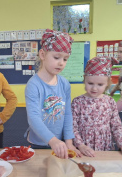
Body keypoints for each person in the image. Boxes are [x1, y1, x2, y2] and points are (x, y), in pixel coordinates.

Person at [24, 29, 82, 159]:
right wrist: (52, 140)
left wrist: (69, 141)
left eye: (65, 59)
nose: (61, 63)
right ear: (43, 54)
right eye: (56, 57)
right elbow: (33, 118)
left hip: (60, 142)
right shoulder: (34, 85)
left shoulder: (64, 84)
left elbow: (67, 113)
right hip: (39, 142)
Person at [71, 56, 122, 158]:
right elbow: (72, 127)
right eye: (90, 83)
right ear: (84, 80)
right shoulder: (77, 102)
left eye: (100, 84)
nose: (94, 88)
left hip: (105, 146)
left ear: (107, 84)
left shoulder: (110, 101)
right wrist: (80, 145)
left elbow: (116, 126)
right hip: (83, 148)